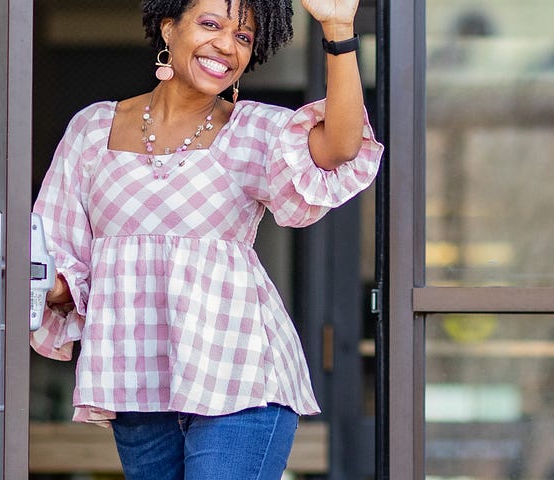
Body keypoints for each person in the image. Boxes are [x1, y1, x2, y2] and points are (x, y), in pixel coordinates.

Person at [30, 0, 382, 477]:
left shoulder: (254, 130)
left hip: (240, 379)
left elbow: (340, 146)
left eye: (243, 37)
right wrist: (35, 284)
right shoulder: (92, 129)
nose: (225, 45)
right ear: (168, 28)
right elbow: (61, 252)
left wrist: (338, 29)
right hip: (135, 380)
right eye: (210, 24)